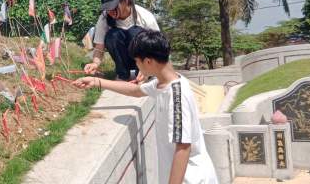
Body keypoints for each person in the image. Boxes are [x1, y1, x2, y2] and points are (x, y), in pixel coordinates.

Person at [73, 30, 218, 184]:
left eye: (137, 61)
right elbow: (135, 91)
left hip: (193, 178)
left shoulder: (177, 95)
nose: (136, 65)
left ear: (148, 62)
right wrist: (97, 82)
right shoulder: (161, 84)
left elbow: (183, 147)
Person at [83, 0, 159, 81]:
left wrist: (148, 68)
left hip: (145, 61)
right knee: (113, 35)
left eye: (113, 7)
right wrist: (95, 63)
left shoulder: (145, 17)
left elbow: (158, 48)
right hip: (123, 59)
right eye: (107, 8)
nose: (110, 11)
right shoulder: (104, 18)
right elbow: (99, 47)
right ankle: (123, 74)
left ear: (125, 1)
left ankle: (142, 73)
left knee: (134, 32)